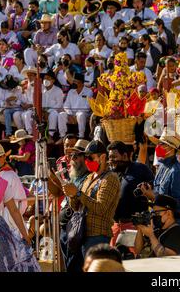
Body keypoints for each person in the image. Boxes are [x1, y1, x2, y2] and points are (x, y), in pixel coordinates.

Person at [62, 140, 120, 256]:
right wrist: (72, 195)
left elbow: (101, 208)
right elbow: (76, 207)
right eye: (86, 157)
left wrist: (78, 194)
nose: (87, 160)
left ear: (103, 157)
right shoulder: (89, 177)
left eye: (90, 157)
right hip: (82, 233)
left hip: (98, 235)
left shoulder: (110, 178)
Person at [107, 141, 154, 246]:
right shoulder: (112, 173)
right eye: (109, 157)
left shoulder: (140, 169)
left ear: (124, 156)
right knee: (115, 259)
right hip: (115, 225)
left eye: (114, 157)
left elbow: (154, 189)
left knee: (131, 259)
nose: (111, 160)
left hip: (133, 226)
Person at [140, 128, 180, 218]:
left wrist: (154, 197)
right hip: (157, 219)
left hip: (170, 224)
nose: (157, 147)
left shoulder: (176, 172)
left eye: (161, 144)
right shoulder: (162, 167)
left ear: (170, 148)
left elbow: (178, 205)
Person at [59, 139, 90, 273]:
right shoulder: (74, 175)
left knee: (75, 264)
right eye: (72, 155)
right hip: (66, 227)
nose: (73, 158)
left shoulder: (89, 177)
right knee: (68, 264)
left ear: (86, 158)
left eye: (77, 155)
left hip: (77, 228)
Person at [0, 140, 27, 233]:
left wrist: (10, 217)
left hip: (9, 217)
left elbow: (21, 201)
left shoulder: (10, 175)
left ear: (4, 157)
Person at [58, 73, 93, 139]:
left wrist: (75, 116)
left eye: (75, 81)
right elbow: (66, 105)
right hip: (71, 114)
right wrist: (70, 114)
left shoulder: (89, 91)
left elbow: (87, 107)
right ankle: (62, 136)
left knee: (80, 115)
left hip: (84, 113)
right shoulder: (71, 91)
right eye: (73, 81)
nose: (73, 83)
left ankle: (81, 136)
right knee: (61, 114)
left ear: (81, 83)